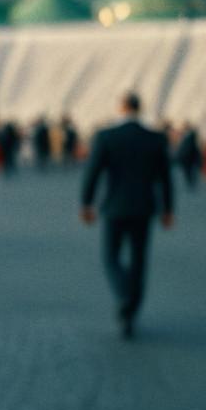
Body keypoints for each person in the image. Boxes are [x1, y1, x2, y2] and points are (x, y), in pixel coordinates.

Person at [80, 91, 174, 339]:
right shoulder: (155, 138)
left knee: (111, 256)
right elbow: (165, 178)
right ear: (139, 108)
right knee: (139, 260)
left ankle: (124, 295)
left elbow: (93, 172)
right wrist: (168, 209)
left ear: (122, 108)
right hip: (144, 208)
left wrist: (86, 204)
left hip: (114, 207)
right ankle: (131, 310)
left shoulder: (107, 136)